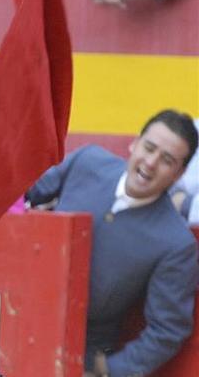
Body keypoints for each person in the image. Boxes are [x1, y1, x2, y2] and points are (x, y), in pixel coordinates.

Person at [26, 109, 199, 377]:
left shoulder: (176, 243)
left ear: (179, 174)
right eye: (149, 148)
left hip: (78, 355)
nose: (151, 163)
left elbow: (168, 329)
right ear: (135, 143)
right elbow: (25, 191)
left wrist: (107, 369)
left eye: (166, 160)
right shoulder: (87, 161)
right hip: (13, 319)